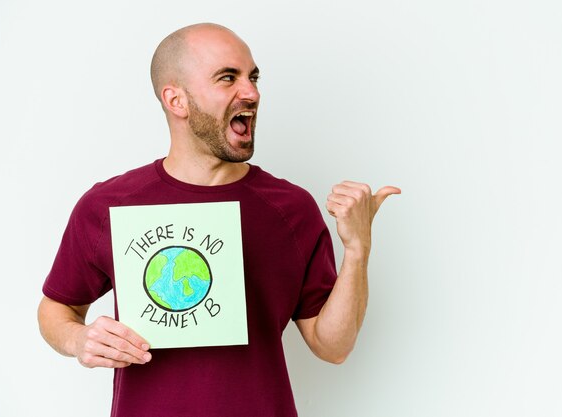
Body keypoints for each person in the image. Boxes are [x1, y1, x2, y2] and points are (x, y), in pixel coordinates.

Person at [37, 23, 400, 417]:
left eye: (253, 77)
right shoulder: (108, 205)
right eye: (228, 78)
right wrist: (80, 340)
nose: (252, 92)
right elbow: (57, 309)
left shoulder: (291, 208)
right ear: (177, 100)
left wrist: (357, 249)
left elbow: (333, 346)